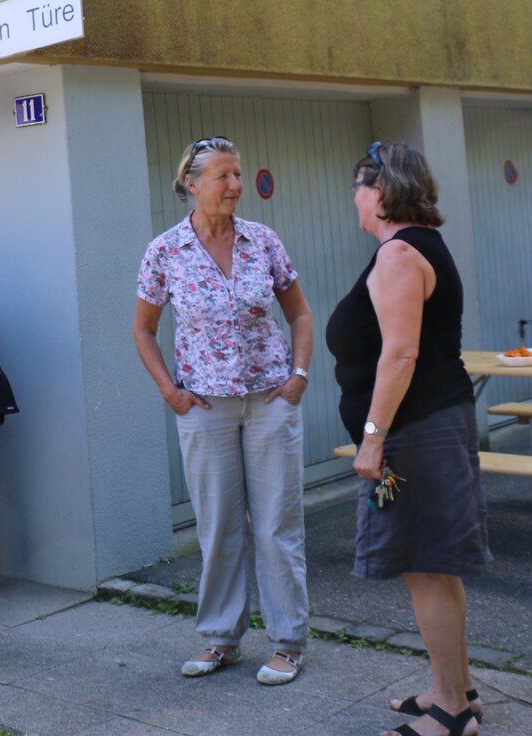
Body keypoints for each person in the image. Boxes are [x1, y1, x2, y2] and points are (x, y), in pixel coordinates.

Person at [133, 136, 313, 685]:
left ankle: (287, 643)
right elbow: (143, 330)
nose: (236, 185)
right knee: (218, 526)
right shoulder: (165, 251)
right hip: (205, 407)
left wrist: (298, 376)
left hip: (269, 401)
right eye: (224, 176)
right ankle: (220, 639)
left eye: (238, 175)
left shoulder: (262, 241)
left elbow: (300, 315)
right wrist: (171, 392)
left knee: (278, 526)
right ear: (193, 184)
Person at [326, 142, 488, 736]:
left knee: (425, 565)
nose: (354, 198)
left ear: (380, 191)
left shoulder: (399, 255)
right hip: (431, 426)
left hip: (415, 434)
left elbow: (401, 353)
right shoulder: (421, 246)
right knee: (436, 566)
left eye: (358, 186)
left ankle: (449, 712)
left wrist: (372, 439)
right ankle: (459, 690)